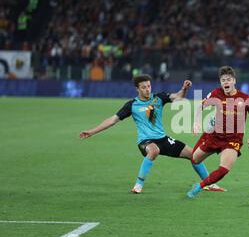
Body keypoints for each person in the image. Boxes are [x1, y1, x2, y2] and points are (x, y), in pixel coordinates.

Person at [79, 74, 223, 193]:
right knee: (153, 150)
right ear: (137, 89)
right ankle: (138, 185)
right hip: (145, 142)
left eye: (149, 86)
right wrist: (92, 131)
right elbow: (112, 120)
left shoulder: (158, 98)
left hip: (163, 139)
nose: (147, 89)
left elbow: (178, 97)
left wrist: (184, 89)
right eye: (144, 87)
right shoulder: (131, 105)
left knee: (194, 155)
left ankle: (209, 184)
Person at [187, 66, 249, 198]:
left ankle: (200, 186)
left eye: (228, 80)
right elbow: (200, 106)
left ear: (234, 81)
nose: (226, 82)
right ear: (220, 82)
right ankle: (207, 134)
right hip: (214, 136)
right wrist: (196, 122)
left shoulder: (245, 98)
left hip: (233, 140)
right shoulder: (216, 93)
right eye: (223, 80)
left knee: (224, 169)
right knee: (194, 159)